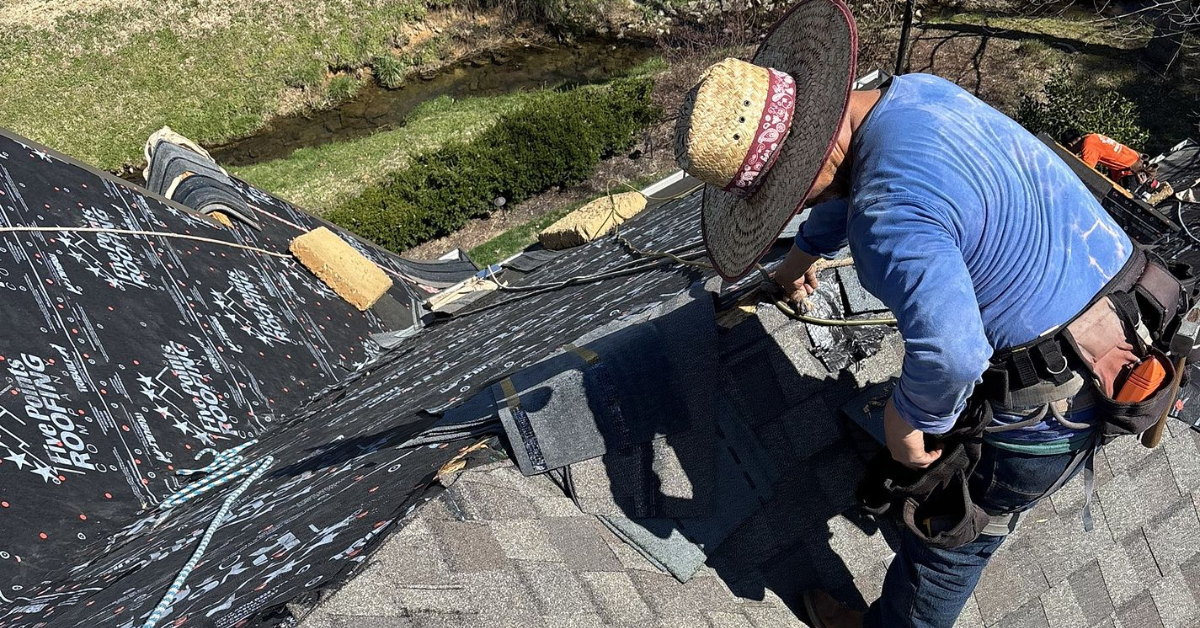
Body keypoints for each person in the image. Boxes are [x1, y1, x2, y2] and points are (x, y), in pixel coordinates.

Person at [672, 2, 1138, 627]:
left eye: (784, 194)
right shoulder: (913, 95)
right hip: (1132, 307)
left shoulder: (887, 217)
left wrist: (908, 419)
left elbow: (954, 353)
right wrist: (802, 256)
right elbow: (862, 178)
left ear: (810, 158)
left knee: (949, 548)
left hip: (1055, 400)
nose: (786, 207)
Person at [1061, 129, 1153, 187]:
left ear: (1070, 145)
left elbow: (1085, 170)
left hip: (1129, 172)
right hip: (1134, 162)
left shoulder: (1089, 144)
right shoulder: (1092, 137)